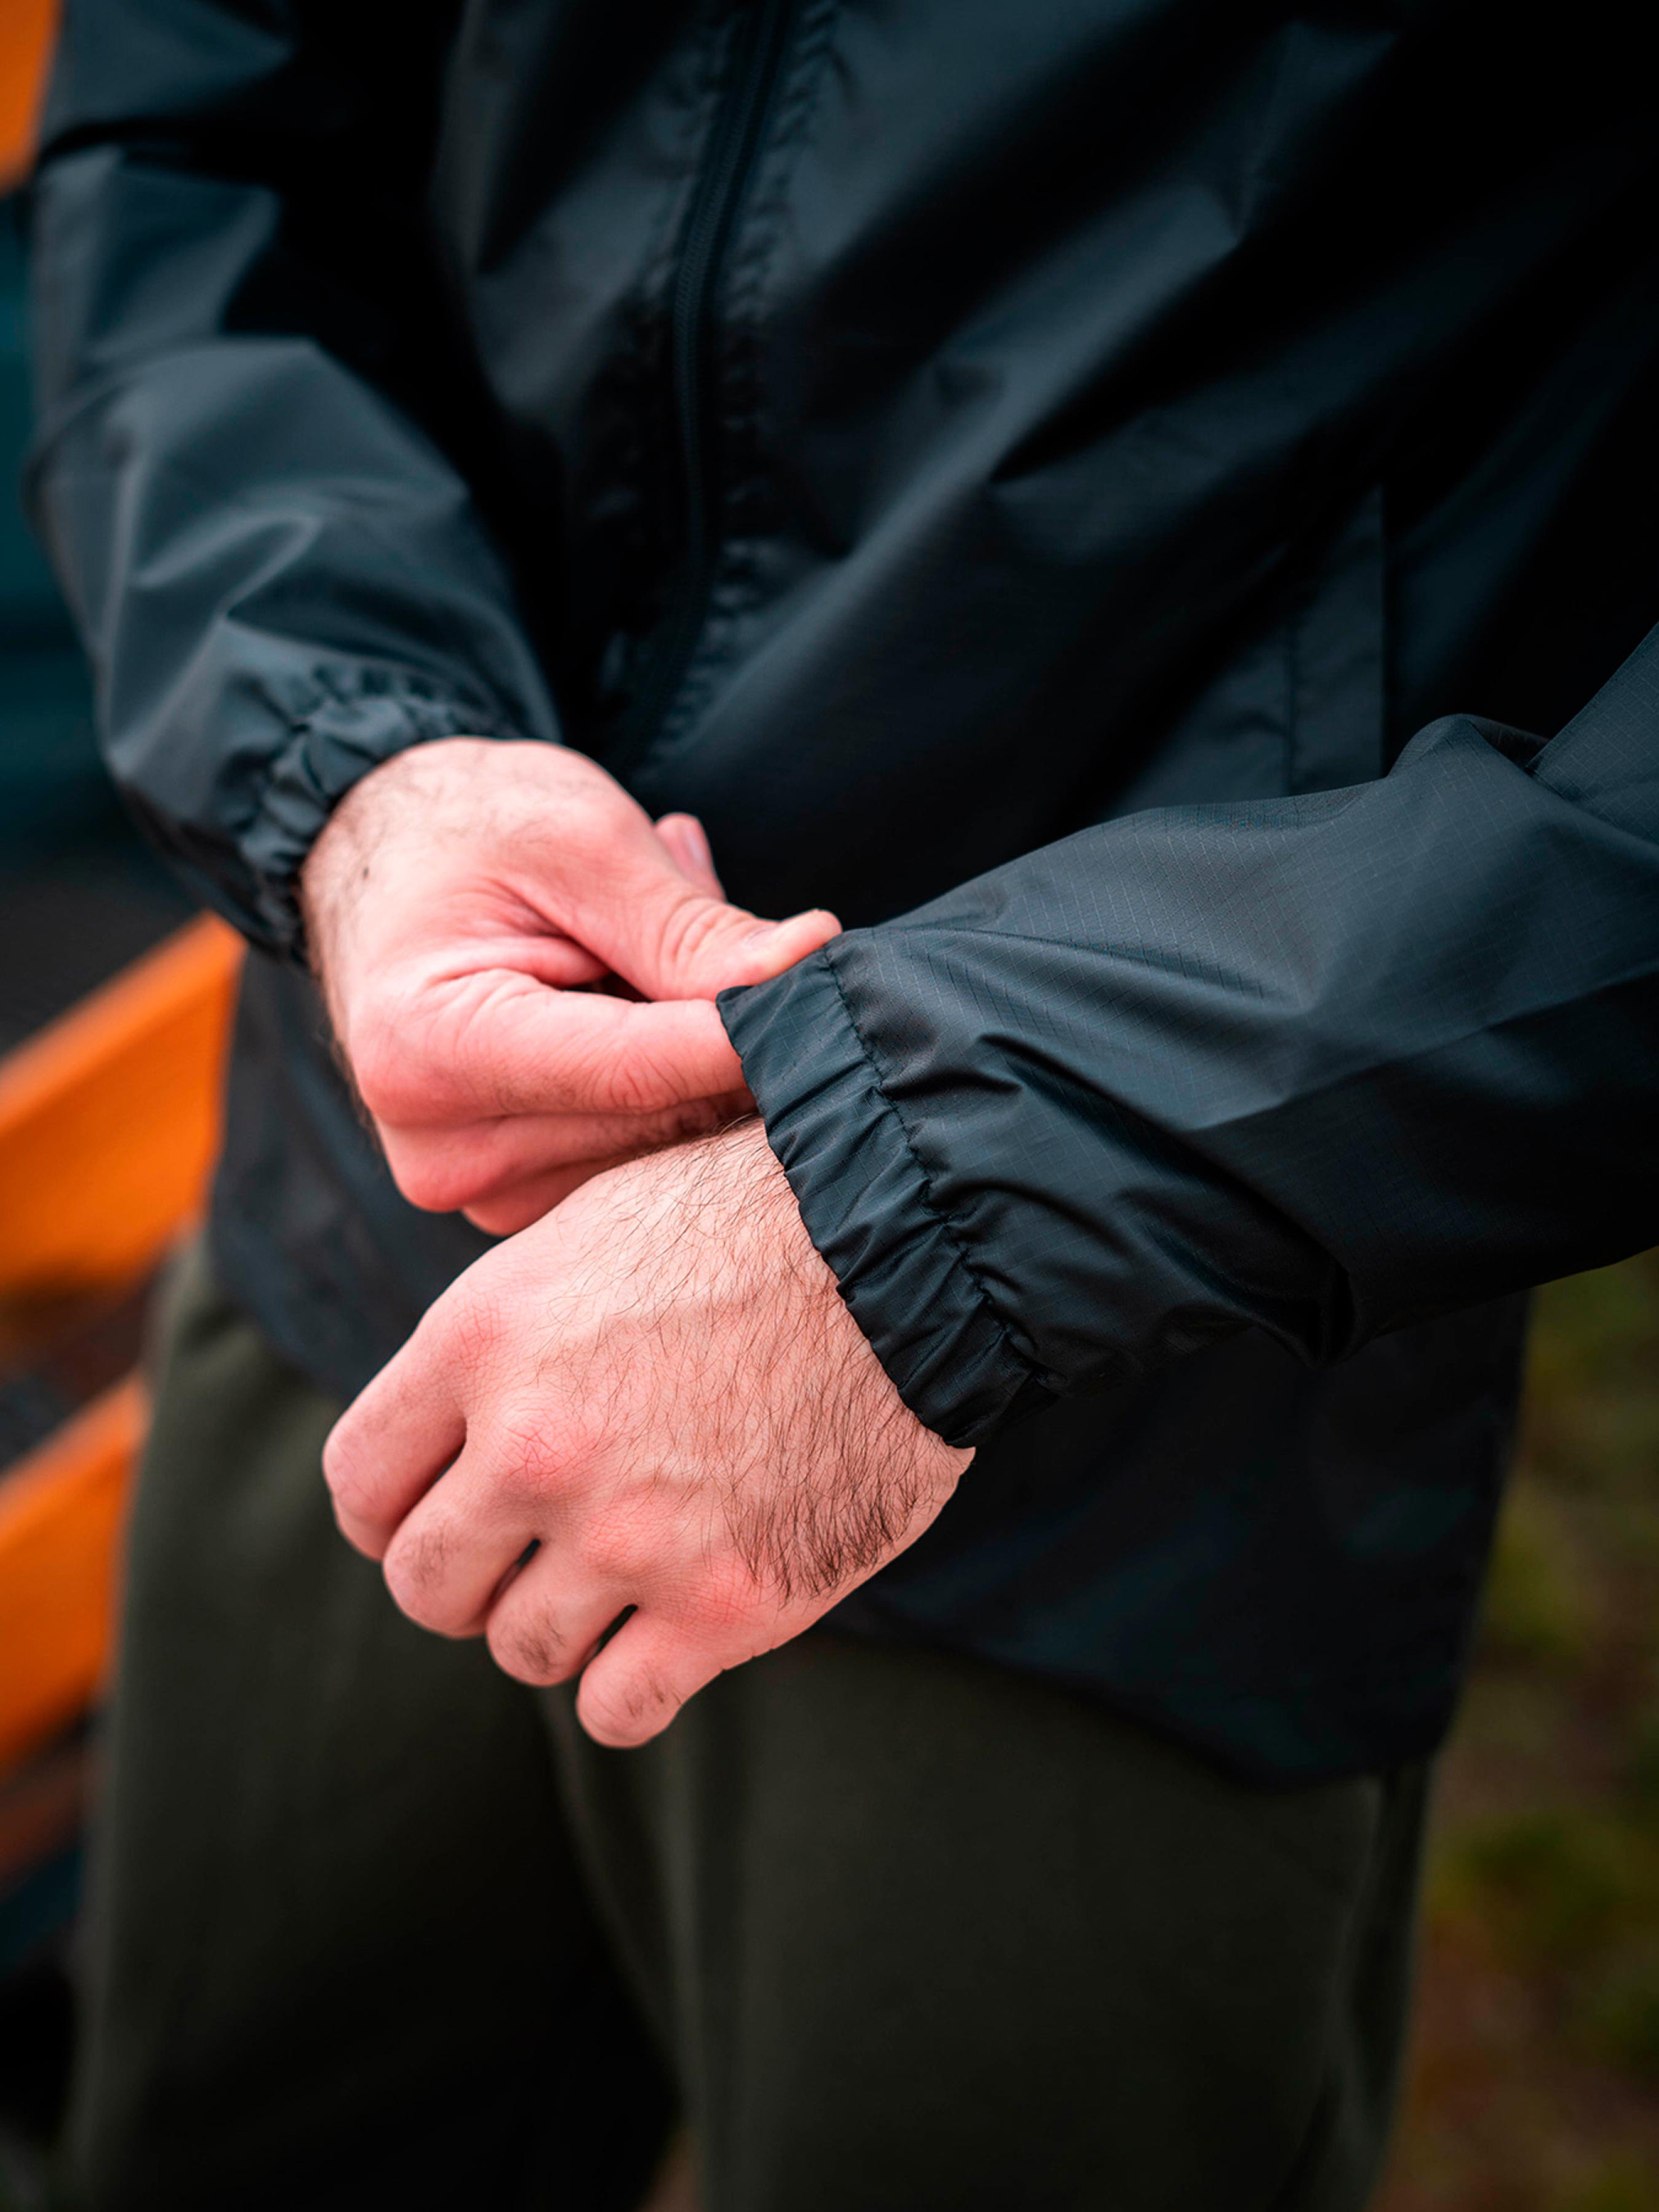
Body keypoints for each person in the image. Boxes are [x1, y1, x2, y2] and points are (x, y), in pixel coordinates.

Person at [26, 1, 1659, 2205]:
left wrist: (964, 1181)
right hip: (376, 1207)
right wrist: (352, 755)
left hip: (1139, 1376)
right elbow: (198, 128)